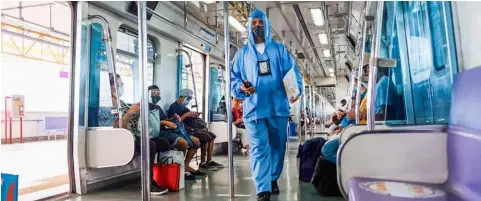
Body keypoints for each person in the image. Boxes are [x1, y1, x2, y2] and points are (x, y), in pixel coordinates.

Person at [230, 9, 303, 201]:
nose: (257, 26)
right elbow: (234, 79)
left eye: (260, 23)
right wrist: (241, 88)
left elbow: (291, 73)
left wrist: (295, 91)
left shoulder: (279, 50)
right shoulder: (242, 54)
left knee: (278, 146)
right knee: (259, 148)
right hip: (254, 109)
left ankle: (272, 177)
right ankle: (263, 188)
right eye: (253, 23)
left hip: (277, 107)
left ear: (267, 25)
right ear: (249, 26)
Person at [113, 75, 169, 195]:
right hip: (124, 138)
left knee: (163, 143)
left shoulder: (121, 103)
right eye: (119, 84)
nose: (121, 87)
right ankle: (148, 183)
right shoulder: (110, 106)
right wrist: (130, 112)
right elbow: (118, 128)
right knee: (151, 145)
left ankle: (163, 175)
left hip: (134, 134)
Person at [147, 85, 205, 179]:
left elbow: (166, 119)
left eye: (158, 93)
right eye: (154, 93)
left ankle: (186, 165)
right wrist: (165, 122)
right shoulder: (145, 107)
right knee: (184, 143)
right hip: (159, 132)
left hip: (168, 129)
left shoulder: (157, 107)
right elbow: (150, 123)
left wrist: (172, 119)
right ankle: (180, 168)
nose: (156, 95)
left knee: (196, 141)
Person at [168, 88, 224, 170]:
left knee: (211, 136)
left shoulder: (184, 107)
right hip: (184, 129)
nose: (189, 100)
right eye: (188, 98)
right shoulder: (174, 107)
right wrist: (187, 115)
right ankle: (195, 163)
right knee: (206, 137)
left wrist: (193, 115)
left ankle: (208, 161)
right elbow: (175, 122)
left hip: (191, 127)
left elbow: (188, 117)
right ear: (182, 97)